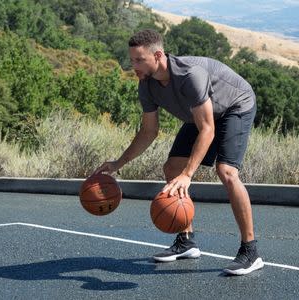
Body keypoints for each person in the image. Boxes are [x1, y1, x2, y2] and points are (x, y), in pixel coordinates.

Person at [94, 29, 263, 275]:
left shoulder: (189, 75)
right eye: (131, 60)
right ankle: (186, 241)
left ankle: (250, 250)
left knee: (226, 171)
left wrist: (188, 174)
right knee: (171, 168)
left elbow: (207, 129)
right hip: (204, 115)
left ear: (158, 55)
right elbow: (148, 132)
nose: (134, 66)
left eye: (139, 60)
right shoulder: (147, 85)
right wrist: (118, 163)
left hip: (236, 104)